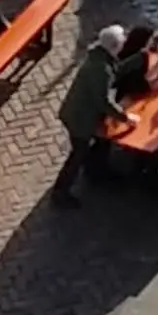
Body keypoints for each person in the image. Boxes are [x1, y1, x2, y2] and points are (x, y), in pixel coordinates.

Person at [54, 24, 128, 205]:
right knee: (78, 155)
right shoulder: (101, 69)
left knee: (98, 143)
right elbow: (102, 101)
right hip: (80, 119)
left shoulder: (98, 58)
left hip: (78, 113)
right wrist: (124, 117)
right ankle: (60, 192)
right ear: (114, 46)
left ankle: (96, 171)